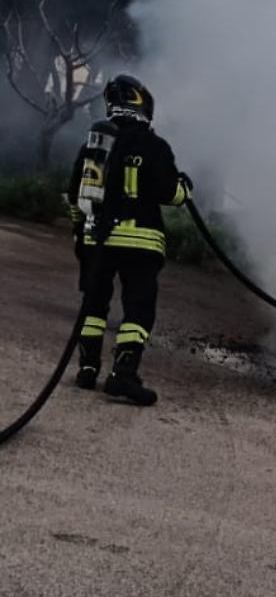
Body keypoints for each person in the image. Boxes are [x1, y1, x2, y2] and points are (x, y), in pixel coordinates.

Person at [67, 74, 191, 406]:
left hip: (98, 241)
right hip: (141, 242)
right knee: (138, 308)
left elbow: (74, 195)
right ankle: (123, 374)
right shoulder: (154, 145)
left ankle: (88, 369)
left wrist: (81, 233)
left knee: (93, 305)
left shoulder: (94, 145)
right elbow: (170, 193)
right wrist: (185, 188)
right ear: (143, 105)